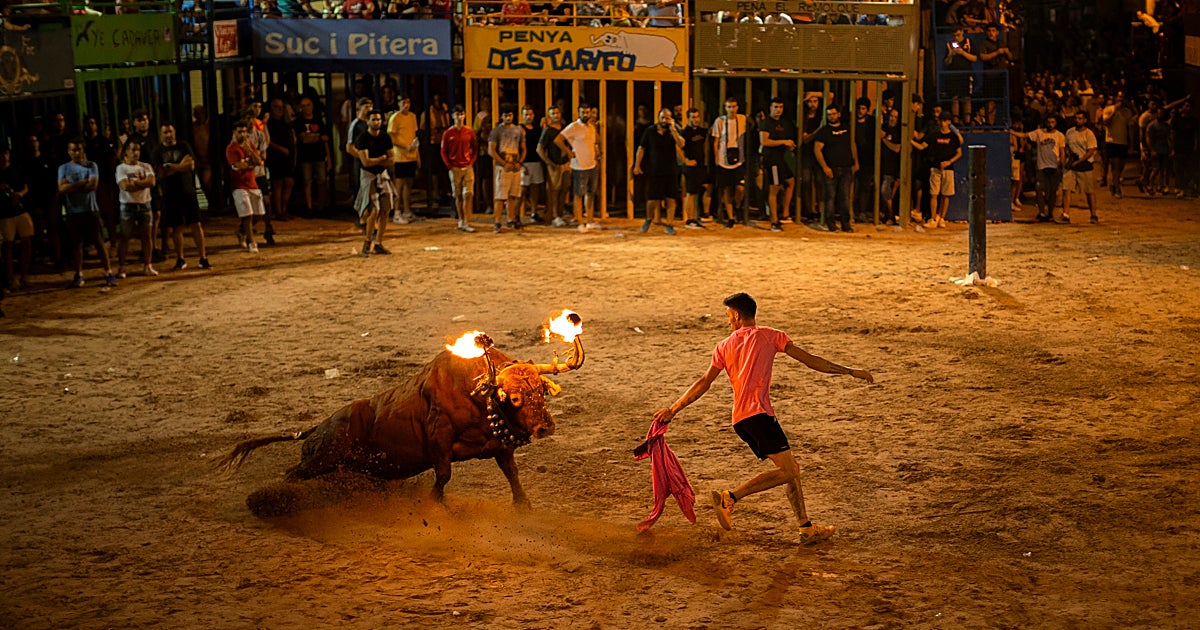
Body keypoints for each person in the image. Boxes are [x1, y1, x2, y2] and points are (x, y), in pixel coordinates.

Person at [652, 292, 874, 543]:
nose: (728, 322)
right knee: (789, 471)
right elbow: (810, 361)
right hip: (758, 416)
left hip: (742, 419)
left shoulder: (724, 346)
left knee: (791, 469)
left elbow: (704, 382)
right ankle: (730, 497)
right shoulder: (771, 335)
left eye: (728, 317)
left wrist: (674, 409)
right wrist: (850, 372)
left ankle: (805, 527)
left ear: (736, 315)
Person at [59, 138, 118, 288]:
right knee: (76, 244)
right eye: (73, 150)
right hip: (73, 212)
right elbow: (61, 189)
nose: (77, 153)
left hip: (91, 210)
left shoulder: (92, 165)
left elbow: (92, 185)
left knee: (99, 243)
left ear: (83, 150)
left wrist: (71, 184)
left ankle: (108, 272)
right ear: (69, 151)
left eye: (79, 149)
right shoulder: (63, 168)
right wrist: (81, 183)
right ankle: (79, 274)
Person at [155, 123, 210, 270]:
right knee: (176, 228)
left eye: (170, 132)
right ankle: (180, 258)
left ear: (175, 132)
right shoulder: (158, 150)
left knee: (196, 224)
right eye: (165, 132)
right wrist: (180, 166)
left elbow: (190, 165)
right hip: (170, 193)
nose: (168, 135)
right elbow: (160, 173)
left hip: (188, 191)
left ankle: (203, 257)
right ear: (161, 135)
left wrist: (171, 167)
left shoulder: (184, 146)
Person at [634, 107, 685, 235]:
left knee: (671, 198)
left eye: (667, 118)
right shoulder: (650, 131)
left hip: (671, 169)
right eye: (663, 117)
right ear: (658, 118)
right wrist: (637, 165)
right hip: (655, 169)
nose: (664, 120)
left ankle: (669, 224)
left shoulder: (673, 131)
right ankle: (648, 219)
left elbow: (681, 144)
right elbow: (641, 148)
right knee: (653, 198)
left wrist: (673, 129)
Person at [352, 110, 396, 257]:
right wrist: (381, 158)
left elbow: (392, 159)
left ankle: (378, 243)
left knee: (386, 208)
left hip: (382, 174)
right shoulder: (362, 138)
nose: (376, 122)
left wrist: (376, 160)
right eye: (374, 119)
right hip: (368, 175)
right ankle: (367, 241)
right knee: (374, 209)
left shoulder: (385, 137)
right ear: (368, 121)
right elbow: (365, 162)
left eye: (378, 119)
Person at [555, 104, 602, 232]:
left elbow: (594, 142)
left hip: (592, 164)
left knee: (590, 193)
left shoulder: (591, 126)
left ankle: (589, 220)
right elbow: (558, 139)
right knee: (578, 194)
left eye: (588, 112)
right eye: (583, 112)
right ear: (578, 113)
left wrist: (597, 152)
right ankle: (580, 222)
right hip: (579, 165)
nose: (586, 115)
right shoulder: (574, 126)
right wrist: (568, 152)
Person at [114, 140, 158, 277]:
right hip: (128, 206)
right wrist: (142, 184)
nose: (136, 153)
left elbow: (152, 182)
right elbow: (125, 186)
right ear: (126, 151)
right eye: (133, 150)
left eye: (137, 150)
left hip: (144, 204)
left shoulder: (146, 166)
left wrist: (136, 183)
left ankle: (148, 265)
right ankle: (121, 267)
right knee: (125, 237)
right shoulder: (121, 168)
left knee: (147, 236)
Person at [813, 104, 858, 232]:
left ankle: (846, 223)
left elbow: (852, 145)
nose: (831, 116)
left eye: (833, 114)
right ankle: (830, 223)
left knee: (845, 197)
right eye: (829, 115)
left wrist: (856, 162)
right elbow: (817, 150)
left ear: (838, 114)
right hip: (831, 169)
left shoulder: (846, 129)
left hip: (846, 168)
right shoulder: (824, 132)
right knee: (830, 197)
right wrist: (825, 167)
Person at [1012, 114, 1064, 223]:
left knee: (1052, 192)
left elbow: (1062, 150)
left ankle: (1050, 213)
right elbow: (1025, 135)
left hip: (1054, 166)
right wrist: (1011, 131)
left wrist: (1061, 164)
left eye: (1053, 122)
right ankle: (1041, 212)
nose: (1050, 124)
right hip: (1041, 166)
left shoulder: (1060, 135)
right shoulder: (1039, 132)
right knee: (1039, 190)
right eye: (1049, 122)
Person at [759, 97, 797, 231]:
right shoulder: (766, 123)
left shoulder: (784, 123)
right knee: (774, 188)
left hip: (781, 158)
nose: (778, 110)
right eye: (775, 107)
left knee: (791, 181)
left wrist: (789, 145)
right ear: (770, 108)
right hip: (772, 159)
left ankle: (785, 213)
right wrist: (783, 142)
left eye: (780, 107)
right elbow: (764, 141)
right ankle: (774, 221)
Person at [227, 121, 265, 252]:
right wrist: (250, 164)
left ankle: (242, 231)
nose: (242, 134)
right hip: (239, 186)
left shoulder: (250, 146)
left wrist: (249, 150)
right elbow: (236, 166)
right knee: (247, 214)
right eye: (239, 132)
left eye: (244, 131)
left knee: (259, 214)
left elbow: (258, 161)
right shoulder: (231, 148)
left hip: (252, 183)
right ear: (234, 132)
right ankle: (251, 242)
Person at [711, 96, 748, 229]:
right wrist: (716, 157)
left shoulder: (743, 119)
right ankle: (730, 217)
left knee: (740, 188)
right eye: (729, 107)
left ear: (737, 107)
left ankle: (738, 207)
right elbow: (716, 140)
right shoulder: (720, 121)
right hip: (723, 159)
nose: (731, 109)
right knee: (726, 190)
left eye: (733, 107)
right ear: (725, 108)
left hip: (739, 159)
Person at [488, 106, 526, 233]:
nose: (508, 118)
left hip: (515, 166)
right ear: (501, 116)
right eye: (505, 115)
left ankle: (511, 219)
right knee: (500, 196)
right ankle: (497, 222)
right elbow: (491, 150)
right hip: (503, 167)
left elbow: (523, 148)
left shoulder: (518, 130)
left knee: (513, 195)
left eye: (510, 115)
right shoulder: (496, 131)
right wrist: (503, 163)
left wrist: (519, 162)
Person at [922, 112, 962, 228]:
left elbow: (959, 152)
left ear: (949, 122)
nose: (943, 123)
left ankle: (942, 218)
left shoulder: (953, 137)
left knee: (946, 194)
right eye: (942, 121)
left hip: (948, 168)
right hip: (936, 167)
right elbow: (923, 145)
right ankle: (933, 218)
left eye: (946, 121)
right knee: (934, 193)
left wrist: (949, 162)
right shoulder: (935, 135)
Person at [441, 106, 477, 233]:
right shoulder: (448, 133)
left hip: (467, 166)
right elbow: (443, 151)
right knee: (458, 195)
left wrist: (471, 162)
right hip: (454, 167)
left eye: (461, 114)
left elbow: (474, 148)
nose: (459, 117)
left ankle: (467, 221)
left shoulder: (469, 131)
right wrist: (450, 166)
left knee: (468, 194)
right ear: (453, 116)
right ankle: (461, 219)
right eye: (457, 114)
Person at [293, 96, 331, 216]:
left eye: (308, 105)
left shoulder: (319, 120)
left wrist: (328, 157)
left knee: (322, 181)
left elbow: (326, 139)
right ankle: (309, 207)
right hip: (305, 156)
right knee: (307, 182)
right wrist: (318, 137)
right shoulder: (298, 122)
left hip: (319, 155)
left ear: (312, 106)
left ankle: (321, 206)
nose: (306, 108)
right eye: (303, 106)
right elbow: (304, 139)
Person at [0, 149, 32, 290]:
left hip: (20, 210)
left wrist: (20, 194)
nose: (3, 157)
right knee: (9, 245)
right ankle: (11, 277)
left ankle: (24, 276)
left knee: (27, 241)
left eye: (5, 153)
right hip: (5, 213)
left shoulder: (16, 169)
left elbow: (26, 187)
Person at [387, 94, 420, 224]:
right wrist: (404, 146)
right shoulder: (395, 118)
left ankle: (407, 211)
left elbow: (414, 135)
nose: (406, 105)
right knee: (399, 186)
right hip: (400, 157)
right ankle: (396, 212)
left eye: (408, 102)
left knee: (409, 185)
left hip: (411, 156)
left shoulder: (412, 117)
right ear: (398, 103)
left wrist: (417, 154)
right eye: (403, 102)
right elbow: (391, 137)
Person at [536, 105, 571, 227]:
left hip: (565, 163)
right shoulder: (548, 131)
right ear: (549, 116)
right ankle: (554, 215)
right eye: (553, 113)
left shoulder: (565, 129)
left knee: (565, 189)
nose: (556, 115)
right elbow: (539, 149)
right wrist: (549, 163)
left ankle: (560, 214)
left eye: (557, 112)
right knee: (554, 191)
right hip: (554, 164)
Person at [1062, 111, 1099, 224]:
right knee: (1066, 189)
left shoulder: (1089, 134)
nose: (1077, 120)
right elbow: (1066, 145)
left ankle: (1093, 215)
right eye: (1076, 118)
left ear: (1085, 120)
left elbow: (1091, 151)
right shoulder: (1070, 132)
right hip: (1071, 164)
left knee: (1089, 191)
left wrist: (1078, 161)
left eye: (1080, 118)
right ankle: (1066, 214)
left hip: (1084, 165)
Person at [265, 98, 296, 222]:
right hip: (276, 157)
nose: (280, 110)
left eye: (281, 107)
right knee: (278, 183)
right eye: (276, 107)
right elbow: (268, 141)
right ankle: (278, 211)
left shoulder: (284, 122)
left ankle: (284, 209)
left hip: (287, 157)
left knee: (289, 182)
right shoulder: (269, 123)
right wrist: (280, 148)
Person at [1101, 91, 1135, 198]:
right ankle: (1117, 188)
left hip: (1123, 142)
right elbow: (1106, 122)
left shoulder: (1127, 112)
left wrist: (1131, 145)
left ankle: (1114, 183)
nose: (1121, 100)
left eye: (1123, 98)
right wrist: (1114, 111)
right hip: (1112, 141)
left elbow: (1130, 129)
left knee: (1121, 166)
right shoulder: (1108, 109)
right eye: (1119, 97)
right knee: (1115, 166)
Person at [680, 108, 709, 229]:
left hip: (702, 166)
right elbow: (678, 148)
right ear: (688, 118)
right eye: (693, 117)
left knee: (707, 186)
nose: (696, 119)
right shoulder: (684, 132)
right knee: (690, 193)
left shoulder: (703, 131)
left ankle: (704, 214)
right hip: (691, 167)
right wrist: (685, 161)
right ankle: (690, 219)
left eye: (697, 117)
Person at [977, 23, 1011, 126]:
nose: (991, 33)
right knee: (990, 101)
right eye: (989, 31)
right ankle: (985, 120)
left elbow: (1010, 56)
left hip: (1001, 77)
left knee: (998, 101)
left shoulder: (1001, 43)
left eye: (993, 31)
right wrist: (996, 53)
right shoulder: (984, 43)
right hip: (990, 76)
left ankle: (994, 122)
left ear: (997, 32)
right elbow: (982, 57)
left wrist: (1007, 51)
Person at [518, 105, 545, 224]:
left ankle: (534, 212)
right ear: (522, 116)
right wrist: (520, 163)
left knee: (535, 188)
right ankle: (516, 215)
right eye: (526, 114)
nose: (529, 117)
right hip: (525, 162)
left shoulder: (537, 128)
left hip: (536, 161)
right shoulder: (520, 129)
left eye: (530, 114)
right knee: (522, 190)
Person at [345, 97, 374, 203]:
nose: (370, 109)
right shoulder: (355, 124)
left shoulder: (371, 123)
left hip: (373, 160)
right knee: (361, 187)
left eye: (371, 106)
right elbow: (349, 147)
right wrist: (362, 157)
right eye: (366, 106)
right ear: (359, 108)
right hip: (361, 161)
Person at [879, 107, 903, 226]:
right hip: (882, 166)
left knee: (885, 191)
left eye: (895, 117)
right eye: (891, 116)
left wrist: (884, 140)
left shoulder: (897, 132)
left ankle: (891, 216)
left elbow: (897, 148)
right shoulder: (885, 128)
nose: (892, 119)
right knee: (885, 193)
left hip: (892, 167)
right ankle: (887, 215)